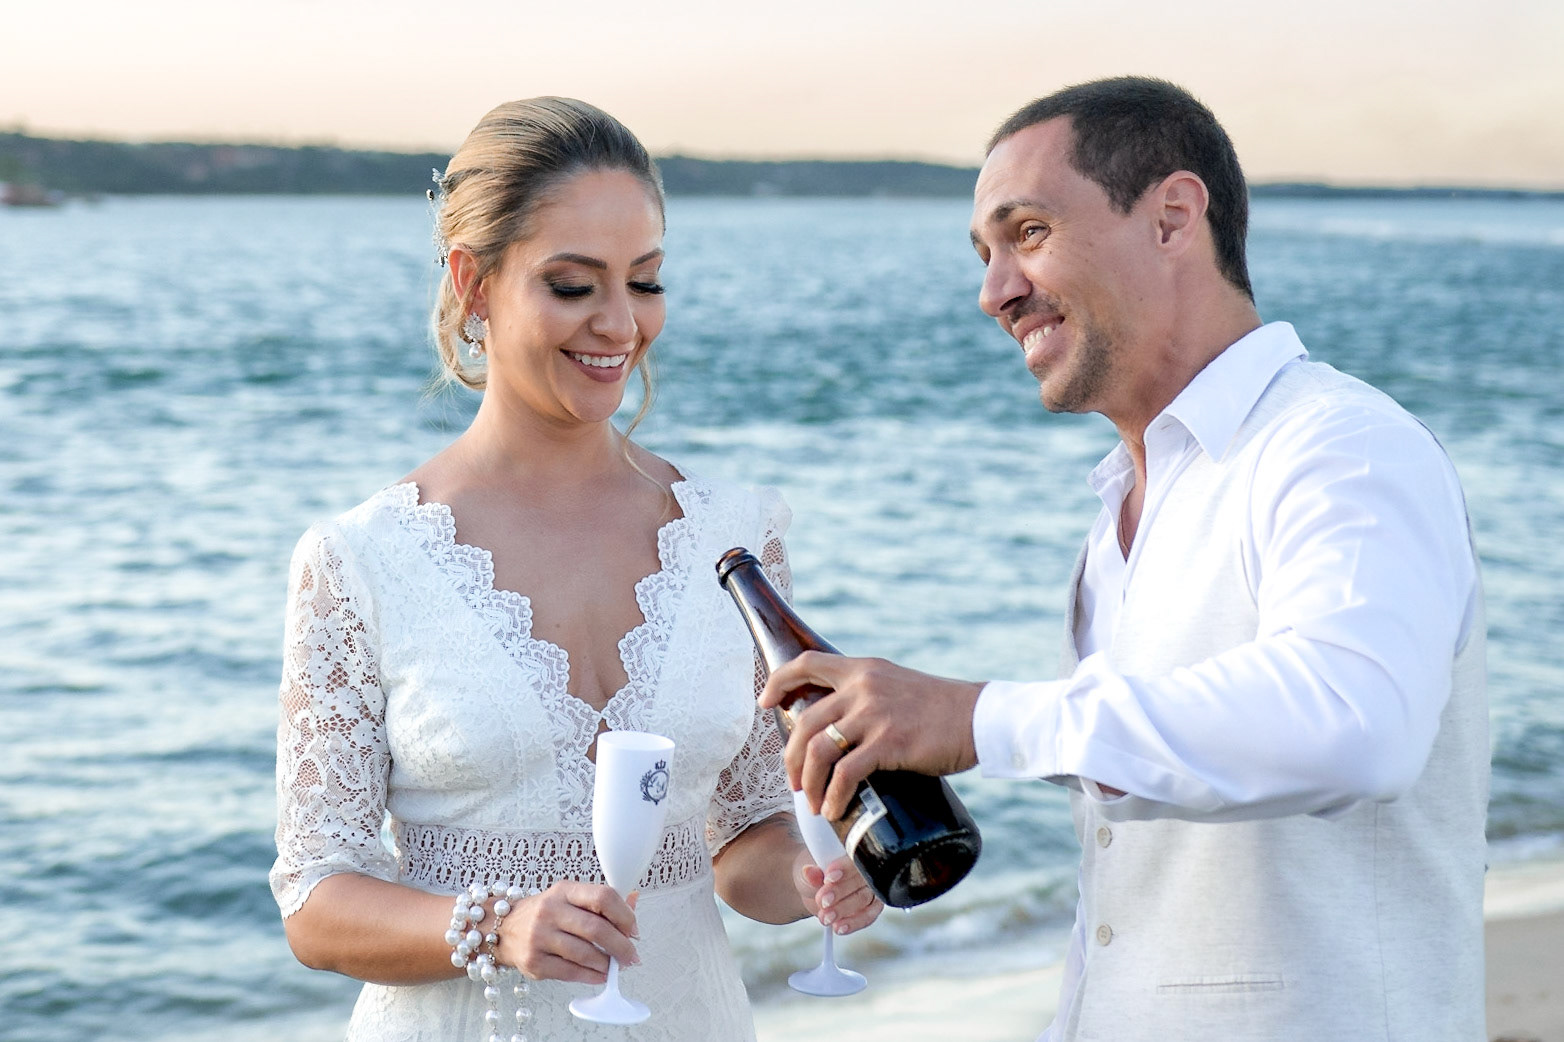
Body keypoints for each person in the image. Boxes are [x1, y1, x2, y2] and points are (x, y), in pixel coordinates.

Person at [762, 77, 1487, 1041]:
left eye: (1027, 234)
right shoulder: (1117, 519)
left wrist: (975, 718)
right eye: (984, 254)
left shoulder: (1340, 444)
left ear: (1174, 219)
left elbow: (1355, 725)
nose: (993, 294)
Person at [268, 97, 881, 1042]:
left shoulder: (735, 539)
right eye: (571, 284)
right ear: (475, 285)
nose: (619, 323)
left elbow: (747, 837)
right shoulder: (361, 561)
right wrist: (497, 926)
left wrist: (818, 877)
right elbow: (316, 902)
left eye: (644, 281)